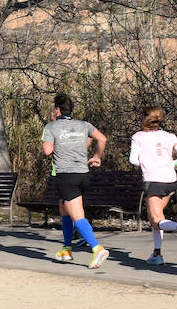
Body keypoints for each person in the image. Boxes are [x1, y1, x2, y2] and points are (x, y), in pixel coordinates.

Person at [43, 94, 109, 268]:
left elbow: (47, 151)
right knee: (64, 210)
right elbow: (102, 139)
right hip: (83, 174)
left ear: (57, 109)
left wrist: (51, 139)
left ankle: (97, 248)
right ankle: (66, 250)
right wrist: (97, 156)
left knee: (77, 215)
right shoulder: (83, 125)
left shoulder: (51, 127)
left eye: (53, 108)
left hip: (66, 175)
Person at [128, 106, 177, 265]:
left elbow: (133, 160)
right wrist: (171, 163)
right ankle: (157, 253)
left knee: (156, 219)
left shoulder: (138, 136)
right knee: (155, 220)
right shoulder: (169, 136)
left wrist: (147, 164)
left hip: (153, 181)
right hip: (170, 181)